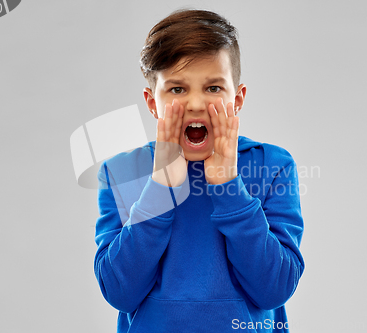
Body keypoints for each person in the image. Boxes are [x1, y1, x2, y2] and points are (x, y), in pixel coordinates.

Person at [94, 8, 304, 333]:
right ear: (153, 103)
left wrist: (229, 186)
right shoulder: (121, 172)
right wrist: (161, 188)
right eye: (177, 89)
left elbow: (274, 289)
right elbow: (120, 292)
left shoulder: (272, 166)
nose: (195, 103)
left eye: (214, 88)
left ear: (238, 99)